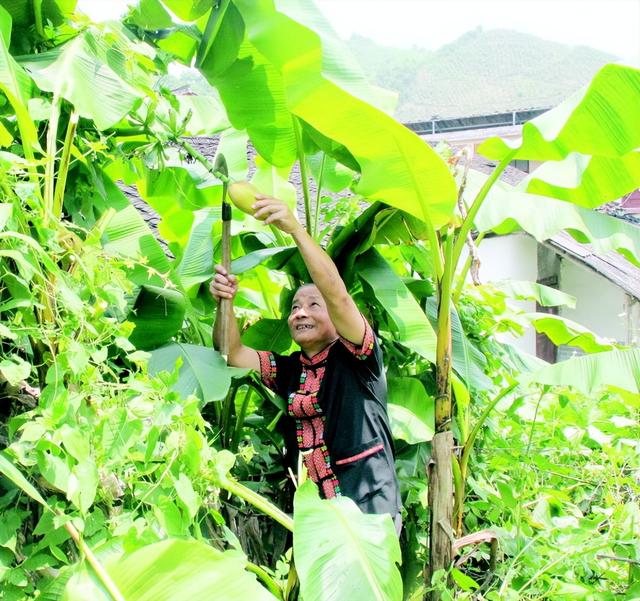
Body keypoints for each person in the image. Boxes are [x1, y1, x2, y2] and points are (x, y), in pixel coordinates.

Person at [209, 194, 402, 533]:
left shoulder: (359, 356)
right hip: (321, 521)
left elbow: (338, 295)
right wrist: (225, 302)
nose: (300, 312)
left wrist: (295, 229)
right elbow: (232, 353)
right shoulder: (291, 370)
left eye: (314, 304)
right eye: (295, 307)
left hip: (370, 514)